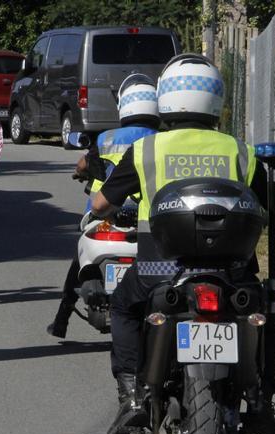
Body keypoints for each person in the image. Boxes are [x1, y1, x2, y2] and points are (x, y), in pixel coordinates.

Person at [90, 54, 275, 434]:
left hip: (159, 266)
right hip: (232, 269)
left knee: (124, 308)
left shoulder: (147, 150)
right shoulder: (239, 151)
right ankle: (261, 401)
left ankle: (132, 395)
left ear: (165, 99)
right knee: (263, 316)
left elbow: (100, 205)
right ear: (216, 100)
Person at [46, 74, 161, 338]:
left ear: (124, 105)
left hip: (105, 214)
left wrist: (80, 171)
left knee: (78, 263)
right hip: (148, 218)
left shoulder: (106, 138)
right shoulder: (161, 139)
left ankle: (62, 319)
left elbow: (84, 164)